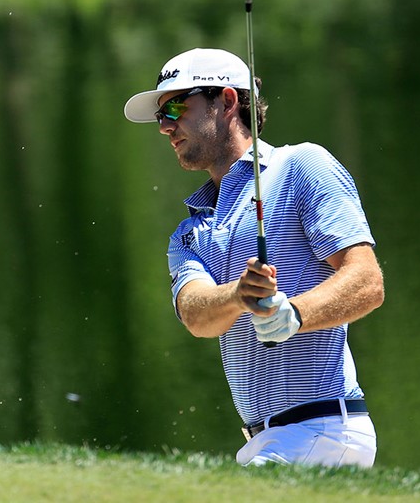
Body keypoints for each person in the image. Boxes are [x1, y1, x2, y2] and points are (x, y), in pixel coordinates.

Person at [122, 48, 384, 467]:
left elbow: (367, 282)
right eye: (160, 116)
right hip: (269, 441)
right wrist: (238, 295)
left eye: (175, 106)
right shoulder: (189, 233)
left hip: (321, 428)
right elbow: (195, 315)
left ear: (226, 101)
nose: (166, 127)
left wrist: (294, 313)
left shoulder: (302, 167)